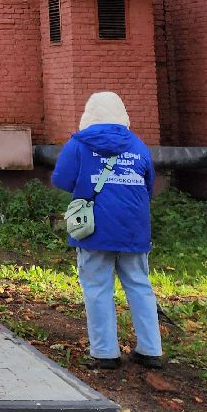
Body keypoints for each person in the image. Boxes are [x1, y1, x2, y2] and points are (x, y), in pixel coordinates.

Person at [50, 91, 164, 370]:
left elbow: (61, 179)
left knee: (97, 287)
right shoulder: (137, 145)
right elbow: (149, 187)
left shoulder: (79, 143)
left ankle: (105, 353)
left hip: (95, 229)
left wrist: (88, 186)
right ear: (122, 114)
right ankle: (150, 350)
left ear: (89, 114)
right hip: (134, 228)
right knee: (139, 285)